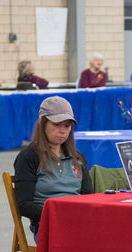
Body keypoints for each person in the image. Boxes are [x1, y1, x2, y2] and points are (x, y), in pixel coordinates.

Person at [13, 96, 93, 241]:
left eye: (67, 126)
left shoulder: (78, 158)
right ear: (41, 123)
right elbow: (24, 206)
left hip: (78, 222)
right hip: (48, 225)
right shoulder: (29, 157)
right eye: (57, 125)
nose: (63, 131)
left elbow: (89, 197)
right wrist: (61, 213)